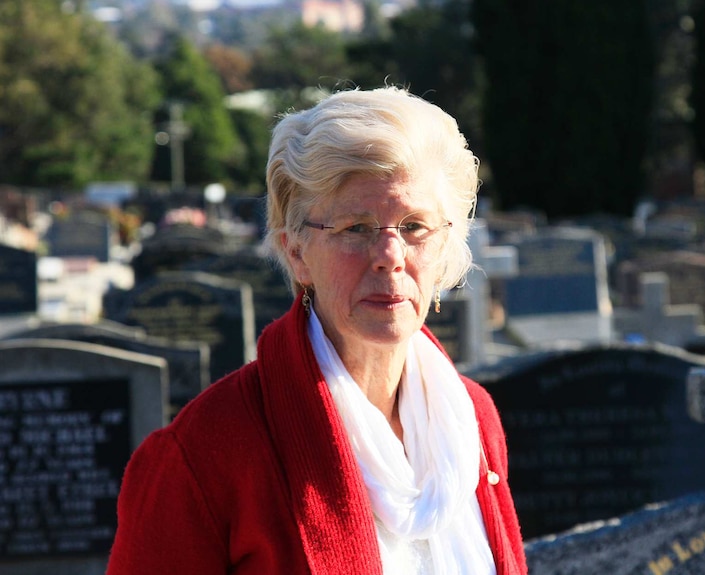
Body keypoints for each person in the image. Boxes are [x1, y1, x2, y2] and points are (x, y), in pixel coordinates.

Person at [106, 86, 528, 575]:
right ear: (296, 252)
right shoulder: (203, 454)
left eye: (414, 227)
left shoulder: (471, 417)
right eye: (356, 228)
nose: (390, 257)